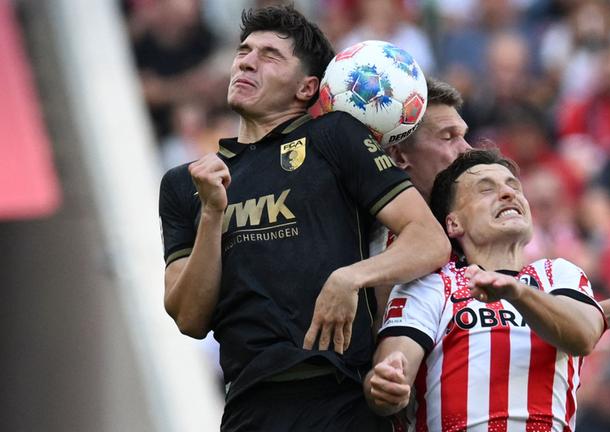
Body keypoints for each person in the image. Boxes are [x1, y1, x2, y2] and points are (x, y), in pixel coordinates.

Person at [158, 5, 450, 431]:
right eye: (244, 50)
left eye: (270, 55)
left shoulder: (333, 138)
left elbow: (429, 240)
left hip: (340, 396)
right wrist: (212, 214)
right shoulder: (187, 184)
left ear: (306, 87)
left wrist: (350, 278)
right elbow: (189, 318)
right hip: (248, 403)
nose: (246, 60)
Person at [364, 149, 610, 430]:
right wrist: (386, 384)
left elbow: (584, 335)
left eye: (513, 186)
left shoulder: (557, 274)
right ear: (453, 224)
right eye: (485, 189)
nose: (508, 194)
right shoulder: (431, 285)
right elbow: (392, 370)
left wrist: (517, 293)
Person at [385, 77, 610, 329]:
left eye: (514, 186)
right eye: (448, 137)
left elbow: (559, 330)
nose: (465, 149)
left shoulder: (553, 272)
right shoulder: (386, 240)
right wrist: (352, 278)